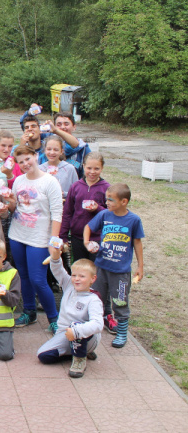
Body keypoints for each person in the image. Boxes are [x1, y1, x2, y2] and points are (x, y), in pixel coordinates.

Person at [5, 145, 63, 332]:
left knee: (38, 279)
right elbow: (15, 208)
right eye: (21, 162)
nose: (25, 164)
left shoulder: (50, 182)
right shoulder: (18, 181)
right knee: (23, 276)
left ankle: (54, 318)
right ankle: (29, 311)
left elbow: (57, 213)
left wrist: (54, 240)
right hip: (17, 235)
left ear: (36, 156)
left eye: (28, 159)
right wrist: (9, 203)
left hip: (39, 238)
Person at [83, 183, 144, 348]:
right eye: (106, 199)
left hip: (120, 271)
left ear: (124, 202)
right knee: (96, 298)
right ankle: (93, 327)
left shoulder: (134, 220)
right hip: (101, 267)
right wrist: (87, 242)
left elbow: (137, 243)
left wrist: (140, 266)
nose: (107, 202)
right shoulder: (104, 215)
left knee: (120, 301)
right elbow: (88, 227)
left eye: (111, 200)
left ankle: (122, 332)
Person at [37, 251, 103, 378]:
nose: (76, 279)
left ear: (92, 279)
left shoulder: (93, 299)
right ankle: (78, 351)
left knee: (75, 325)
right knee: (43, 355)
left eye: (82, 276)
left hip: (85, 336)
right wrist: (55, 257)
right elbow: (58, 270)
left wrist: (76, 331)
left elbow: (98, 324)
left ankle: (79, 359)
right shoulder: (69, 285)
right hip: (65, 334)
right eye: (74, 275)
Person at [61, 152, 109, 263]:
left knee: (95, 268)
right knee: (80, 266)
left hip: (97, 237)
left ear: (102, 168)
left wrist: (98, 208)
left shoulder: (106, 188)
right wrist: (63, 235)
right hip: (77, 236)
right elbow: (67, 212)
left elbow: (111, 214)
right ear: (83, 166)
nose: (92, 172)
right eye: (89, 168)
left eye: (96, 169)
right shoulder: (76, 186)